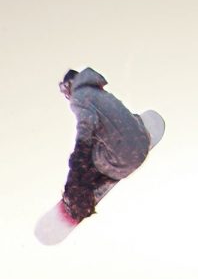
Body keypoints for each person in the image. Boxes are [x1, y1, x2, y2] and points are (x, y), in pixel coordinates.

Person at [57, 67, 152, 222]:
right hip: (141, 145)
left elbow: (86, 126)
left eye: (64, 90)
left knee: (82, 159)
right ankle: (97, 179)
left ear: (70, 85)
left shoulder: (79, 96)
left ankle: (77, 202)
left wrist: (77, 162)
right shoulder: (100, 93)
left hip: (121, 157)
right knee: (96, 146)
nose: (67, 96)